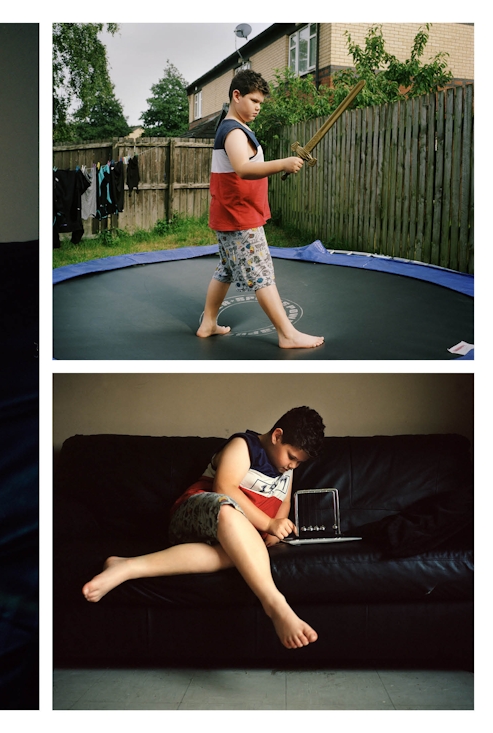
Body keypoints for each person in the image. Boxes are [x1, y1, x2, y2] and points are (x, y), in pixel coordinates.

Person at [81, 406, 325, 650]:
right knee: (228, 509)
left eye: (299, 463)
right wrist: (269, 523)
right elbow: (224, 488)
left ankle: (126, 566)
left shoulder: (287, 471)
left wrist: (274, 530)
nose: (292, 465)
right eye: (291, 456)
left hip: (235, 534)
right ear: (277, 436)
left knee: (242, 553)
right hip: (198, 513)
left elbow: (283, 501)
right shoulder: (244, 446)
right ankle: (275, 604)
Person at [196, 69, 323, 350]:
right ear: (236, 95)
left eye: (261, 103)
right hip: (239, 217)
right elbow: (243, 168)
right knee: (262, 272)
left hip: (230, 214)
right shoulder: (233, 131)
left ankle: (208, 322)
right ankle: (287, 334)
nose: (257, 107)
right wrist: (283, 163)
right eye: (253, 100)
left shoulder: (233, 128)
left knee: (227, 269)